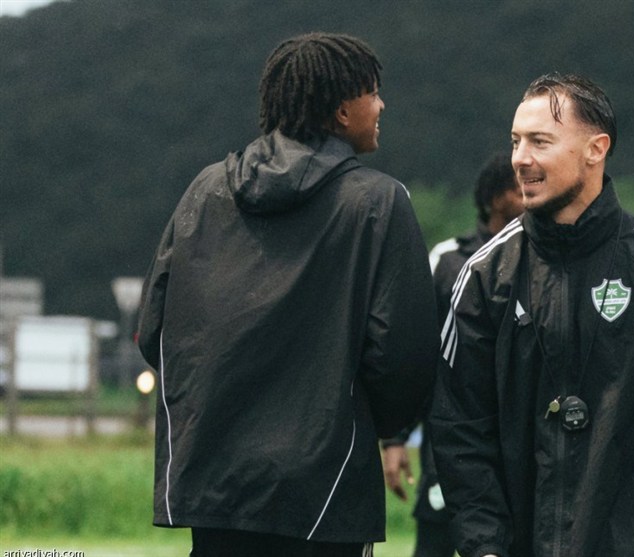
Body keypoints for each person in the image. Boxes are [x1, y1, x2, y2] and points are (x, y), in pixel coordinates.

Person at [430, 73, 634, 557]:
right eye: (515, 141)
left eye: (540, 141)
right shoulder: (486, 276)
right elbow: (461, 425)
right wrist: (483, 543)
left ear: (596, 149)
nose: (520, 158)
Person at [136, 32, 440, 557]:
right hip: (325, 490)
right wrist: (376, 424)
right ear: (343, 112)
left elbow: (154, 331)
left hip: (212, 480)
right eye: (373, 92)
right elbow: (403, 357)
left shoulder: (206, 190)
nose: (382, 105)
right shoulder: (378, 203)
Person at [382, 152, 523, 557]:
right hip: (451, 439)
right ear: (495, 199)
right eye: (516, 189)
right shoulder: (448, 260)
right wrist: (396, 437)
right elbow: (419, 352)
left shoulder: (539, 257)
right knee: (436, 542)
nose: (528, 196)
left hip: (516, 441)